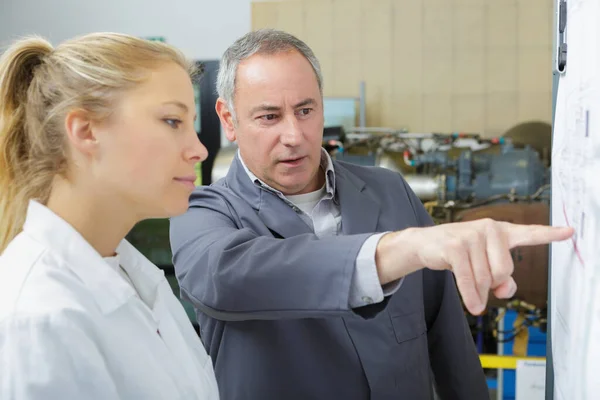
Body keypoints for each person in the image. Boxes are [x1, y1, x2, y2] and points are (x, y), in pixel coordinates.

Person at [169, 29, 573, 400]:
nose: (293, 135)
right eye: (269, 116)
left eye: (306, 110)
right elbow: (229, 277)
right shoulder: (203, 213)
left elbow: (446, 334)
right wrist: (398, 249)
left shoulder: (389, 189)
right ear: (229, 119)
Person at [0, 33, 219, 399]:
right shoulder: (40, 319)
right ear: (86, 131)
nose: (198, 149)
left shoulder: (137, 281)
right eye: (171, 121)